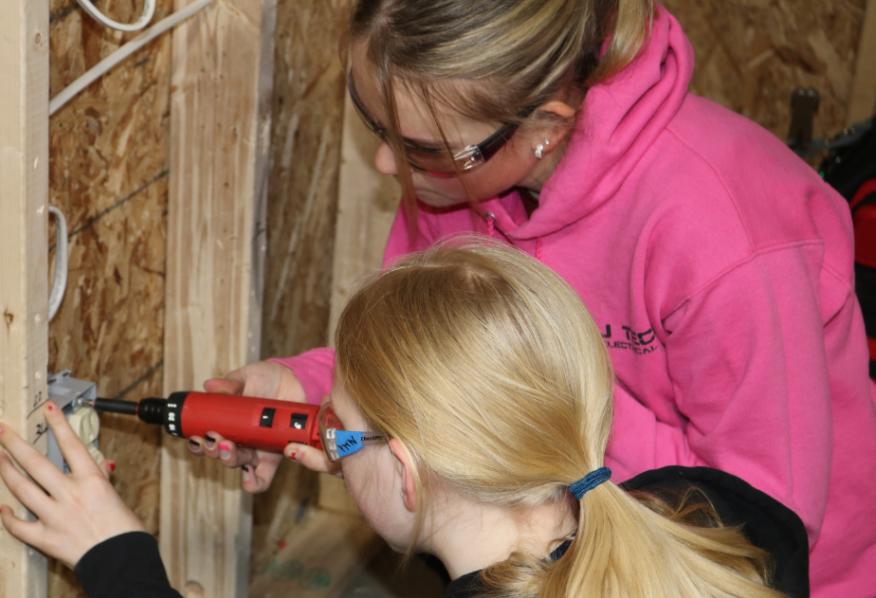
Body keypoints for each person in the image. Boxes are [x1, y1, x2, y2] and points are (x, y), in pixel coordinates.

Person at [192, 1, 876, 596]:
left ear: (543, 126)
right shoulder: (464, 166)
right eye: (379, 127)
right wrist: (312, 385)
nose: (389, 167)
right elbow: (433, 363)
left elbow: (764, 533)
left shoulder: (726, 234)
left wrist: (535, 407)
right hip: (550, 558)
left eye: (425, 149)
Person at [0, 241, 809, 598]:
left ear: (412, 477)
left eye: (339, 427)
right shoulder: (717, 515)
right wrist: (363, 454)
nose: (323, 439)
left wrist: (117, 560)